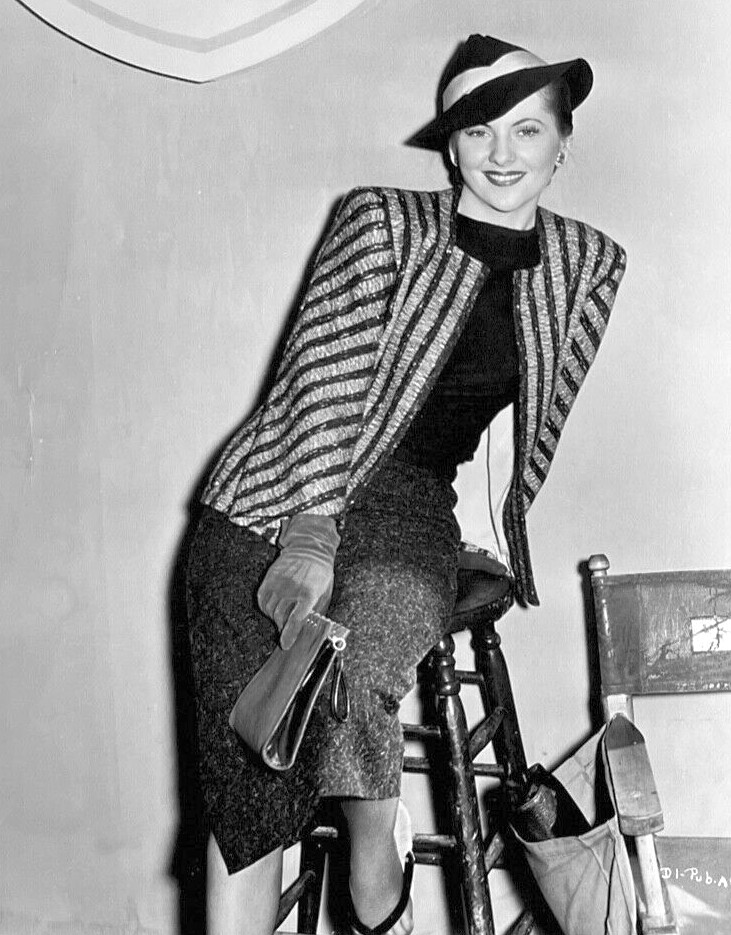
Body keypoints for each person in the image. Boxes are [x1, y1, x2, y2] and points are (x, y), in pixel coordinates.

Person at [185, 33, 627, 935]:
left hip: (406, 496)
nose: (501, 154)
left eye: (527, 129)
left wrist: (494, 532)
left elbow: (529, 412)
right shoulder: (384, 221)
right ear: (449, 144)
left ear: (562, 142)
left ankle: (373, 846)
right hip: (271, 490)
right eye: (477, 130)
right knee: (250, 766)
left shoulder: (585, 263)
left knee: (369, 638)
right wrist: (309, 532)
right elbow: (322, 382)